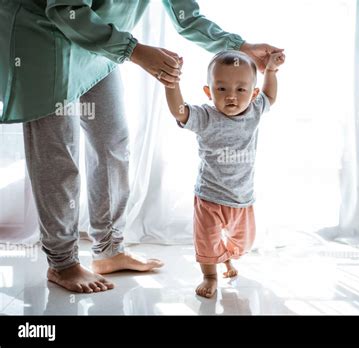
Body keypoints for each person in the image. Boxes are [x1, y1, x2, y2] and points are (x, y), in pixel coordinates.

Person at [0, 0, 283, 293]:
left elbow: (186, 15)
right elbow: (65, 9)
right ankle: (63, 264)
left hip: (100, 38)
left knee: (113, 141)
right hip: (42, 33)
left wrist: (239, 46)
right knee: (59, 151)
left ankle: (109, 249)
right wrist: (134, 51)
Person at [165, 50, 285, 297]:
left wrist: (271, 71)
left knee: (243, 242)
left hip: (242, 197)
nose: (231, 96)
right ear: (209, 92)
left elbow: (270, 95)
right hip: (209, 196)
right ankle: (210, 275)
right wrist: (172, 83)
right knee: (207, 239)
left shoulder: (254, 111)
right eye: (221, 89)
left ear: (252, 94)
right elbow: (180, 112)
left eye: (241, 90)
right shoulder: (206, 117)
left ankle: (227, 258)